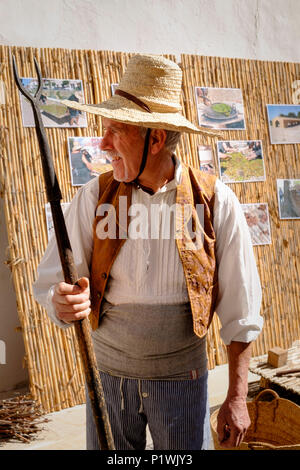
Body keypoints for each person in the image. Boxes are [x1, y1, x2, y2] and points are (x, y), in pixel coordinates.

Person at [33, 54, 263, 450]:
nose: (102, 145)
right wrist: (62, 301)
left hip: (182, 382)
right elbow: (55, 281)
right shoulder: (95, 196)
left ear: (155, 139)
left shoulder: (215, 202)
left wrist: (238, 397)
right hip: (108, 380)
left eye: (115, 131)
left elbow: (241, 310)